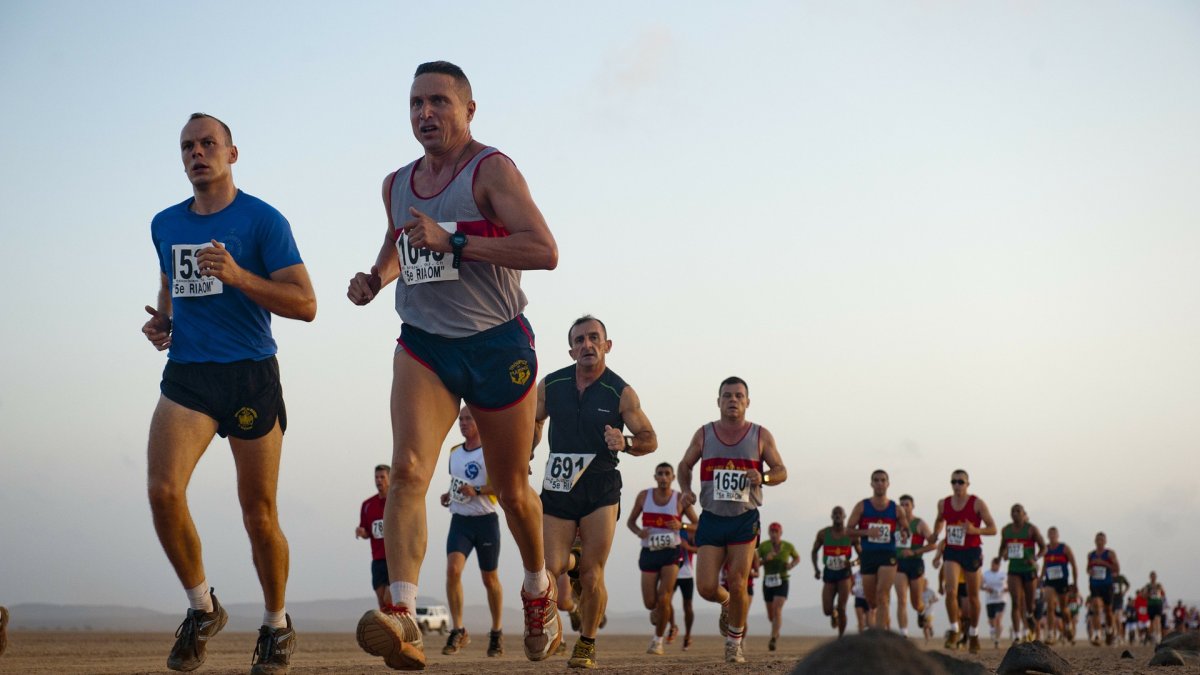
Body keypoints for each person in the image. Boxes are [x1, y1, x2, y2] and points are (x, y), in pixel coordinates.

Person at [347, 61, 560, 670]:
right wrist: (374, 278)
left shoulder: (491, 170)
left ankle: (539, 588)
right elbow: (399, 243)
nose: (425, 114)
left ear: (469, 110)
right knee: (411, 468)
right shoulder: (396, 183)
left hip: (497, 345)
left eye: (439, 101)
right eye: (416, 103)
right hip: (425, 345)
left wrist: (458, 240)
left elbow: (544, 250)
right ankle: (404, 614)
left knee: (513, 488)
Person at [143, 113, 316, 674]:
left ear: (232, 153)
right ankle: (202, 608)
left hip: (249, 375)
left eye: (208, 143)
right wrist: (164, 320)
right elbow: (173, 278)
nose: (198, 153)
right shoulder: (164, 222)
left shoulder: (263, 220)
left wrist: (240, 276)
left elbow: (306, 304)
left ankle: (276, 624)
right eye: (188, 146)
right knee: (164, 491)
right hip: (189, 375)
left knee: (258, 514)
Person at [535, 315, 657, 668]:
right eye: (579, 340)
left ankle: (587, 642)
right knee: (552, 566)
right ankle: (571, 562)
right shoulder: (552, 384)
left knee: (593, 572)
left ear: (607, 346)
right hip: (559, 484)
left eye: (594, 338)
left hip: (600, 485)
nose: (586, 345)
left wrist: (626, 442)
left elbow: (650, 439)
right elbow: (534, 421)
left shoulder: (620, 391)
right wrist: (526, 448)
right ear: (571, 349)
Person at [678, 376, 787, 664]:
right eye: (727, 395)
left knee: (739, 582)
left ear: (747, 402)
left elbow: (781, 470)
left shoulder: (761, 435)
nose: (733, 400)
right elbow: (684, 465)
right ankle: (725, 603)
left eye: (739, 396)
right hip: (712, 518)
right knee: (705, 588)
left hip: (743, 519)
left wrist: (762, 477)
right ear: (718, 401)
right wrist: (687, 490)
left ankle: (734, 643)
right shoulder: (704, 434)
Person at [437, 407, 505, 657]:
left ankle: (496, 632)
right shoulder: (455, 452)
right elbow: (457, 482)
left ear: (479, 422)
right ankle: (458, 630)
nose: (463, 424)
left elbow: (502, 486)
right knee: (452, 570)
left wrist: (477, 491)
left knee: (490, 579)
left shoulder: (490, 450)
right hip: (460, 521)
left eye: (468, 419)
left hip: (486, 521)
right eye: (461, 420)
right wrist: (449, 495)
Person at [626, 462, 696, 656]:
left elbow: (698, 525)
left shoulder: (680, 499)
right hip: (649, 552)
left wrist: (681, 525)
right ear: (655, 477)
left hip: (671, 553)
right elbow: (630, 522)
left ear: (673, 478)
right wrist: (639, 531)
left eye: (667, 474)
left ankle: (657, 641)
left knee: (665, 598)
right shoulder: (644, 496)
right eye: (660, 474)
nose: (664, 477)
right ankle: (659, 613)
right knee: (650, 602)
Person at [931, 469, 997, 654]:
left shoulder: (977, 503)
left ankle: (974, 634)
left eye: (961, 482)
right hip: (952, 550)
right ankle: (954, 629)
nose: (957, 485)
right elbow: (939, 520)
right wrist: (936, 532)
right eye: (954, 481)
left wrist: (975, 530)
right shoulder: (943, 503)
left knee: (973, 597)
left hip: (971, 551)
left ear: (968, 484)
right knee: (950, 591)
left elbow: (993, 529)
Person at [846, 470, 908, 631]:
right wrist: (867, 532)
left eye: (882, 480)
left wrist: (903, 532)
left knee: (882, 595)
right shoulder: (862, 506)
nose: (880, 483)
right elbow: (848, 530)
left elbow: (906, 528)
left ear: (888, 483)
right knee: (871, 600)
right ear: (871, 484)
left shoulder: (896, 509)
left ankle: (880, 635)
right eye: (876, 480)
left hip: (888, 555)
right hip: (868, 555)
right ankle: (882, 626)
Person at [998, 504, 1046, 644]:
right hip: (1014, 570)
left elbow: (1043, 547)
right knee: (1016, 602)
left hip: (1029, 570)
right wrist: (1001, 556)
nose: (1015, 513)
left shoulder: (1031, 529)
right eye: (1012, 511)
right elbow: (1002, 547)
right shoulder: (1006, 530)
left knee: (1029, 605)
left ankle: (1030, 617)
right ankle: (1017, 635)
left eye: (1018, 511)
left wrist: (1035, 558)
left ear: (1024, 513)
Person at [894, 494, 935, 639]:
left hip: (915, 563)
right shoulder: (894, 524)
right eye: (902, 505)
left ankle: (922, 611)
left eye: (907, 504)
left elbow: (933, 544)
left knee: (916, 603)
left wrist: (915, 551)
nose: (904, 507)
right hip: (898, 564)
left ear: (913, 506)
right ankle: (903, 634)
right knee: (901, 600)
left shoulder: (919, 524)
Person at [812, 506, 855, 637]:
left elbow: (862, 555)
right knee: (827, 610)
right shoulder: (823, 534)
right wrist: (816, 569)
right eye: (835, 514)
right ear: (831, 516)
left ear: (844, 516)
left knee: (842, 607)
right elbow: (814, 551)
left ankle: (841, 637)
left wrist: (852, 563)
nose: (837, 516)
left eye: (840, 514)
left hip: (845, 575)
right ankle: (833, 614)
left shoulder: (851, 534)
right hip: (829, 573)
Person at [757, 522, 800, 651]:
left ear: (780, 533)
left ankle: (773, 637)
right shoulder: (763, 546)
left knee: (777, 609)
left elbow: (797, 558)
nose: (774, 534)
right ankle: (776, 630)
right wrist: (765, 560)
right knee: (771, 615)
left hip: (782, 580)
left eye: (776, 532)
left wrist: (791, 565)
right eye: (772, 532)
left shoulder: (788, 546)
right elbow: (755, 564)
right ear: (769, 533)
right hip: (768, 582)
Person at [357, 464, 393, 610]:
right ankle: (385, 631)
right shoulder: (367, 505)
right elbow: (367, 532)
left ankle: (397, 629)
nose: (379, 480)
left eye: (382, 477)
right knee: (382, 602)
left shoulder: (397, 501)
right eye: (376, 477)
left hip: (394, 558)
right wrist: (361, 532)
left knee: (389, 598)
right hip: (377, 559)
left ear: (390, 478)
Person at [1039, 526, 1078, 645]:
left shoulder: (1064, 548)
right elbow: (1045, 565)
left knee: (1063, 608)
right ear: (1047, 536)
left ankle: (1068, 625)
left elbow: (1073, 565)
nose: (1052, 536)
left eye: (1054, 534)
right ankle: (1050, 634)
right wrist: (1040, 579)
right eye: (1050, 534)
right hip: (1050, 581)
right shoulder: (1045, 549)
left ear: (1057, 535)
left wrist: (1075, 583)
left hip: (1062, 581)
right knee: (1050, 606)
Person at [1085, 532, 1120, 646]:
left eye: (1101, 540)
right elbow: (1088, 568)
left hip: (1107, 585)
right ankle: (1097, 634)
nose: (1099, 542)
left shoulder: (1110, 554)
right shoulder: (1091, 555)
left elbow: (1116, 569)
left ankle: (1110, 630)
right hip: (1094, 584)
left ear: (1105, 541)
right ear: (1095, 541)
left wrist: (1104, 563)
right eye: (1097, 539)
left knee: (1108, 611)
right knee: (1095, 607)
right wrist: (1090, 571)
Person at [670, 527, 698, 650]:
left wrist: (687, 547)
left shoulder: (689, 531)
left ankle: (687, 635)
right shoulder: (666, 528)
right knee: (665, 601)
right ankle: (672, 627)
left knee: (687, 606)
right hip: (670, 572)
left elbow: (700, 549)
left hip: (686, 574)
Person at [982, 557, 1007, 648]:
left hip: (1001, 600)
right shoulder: (986, 574)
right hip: (990, 600)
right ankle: (992, 629)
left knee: (998, 619)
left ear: (999, 565)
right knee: (991, 620)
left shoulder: (1003, 575)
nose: (994, 566)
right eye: (993, 564)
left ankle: (997, 639)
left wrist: (1004, 590)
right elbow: (980, 586)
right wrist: (986, 589)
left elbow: (1009, 587)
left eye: (996, 564)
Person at [1142, 571, 1167, 644]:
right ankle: (1153, 635)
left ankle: (1158, 636)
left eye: (1154, 576)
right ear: (1150, 577)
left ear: (1156, 577)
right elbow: (1144, 596)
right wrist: (1148, 595)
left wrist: (1159, 591)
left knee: (1158, 619)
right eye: (1152, 576)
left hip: (1158, 604)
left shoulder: (1159, 585)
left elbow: (1163, 593)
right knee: (1152, 622)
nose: (1153, 578)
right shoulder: (1148, 586)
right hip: (1151, 605)